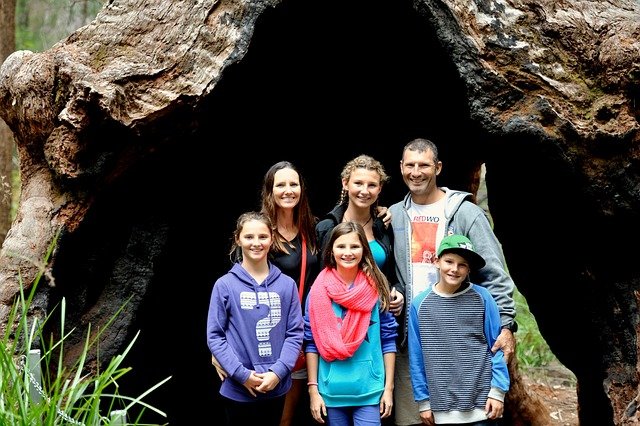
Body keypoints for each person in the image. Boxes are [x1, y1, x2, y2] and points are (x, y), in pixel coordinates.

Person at [389, 138, 517, 426]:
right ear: (400, 167)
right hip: (414, 338)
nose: (416, 172)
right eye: (410, 165)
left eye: (424, 165)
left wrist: (506, 325)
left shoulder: (465, 213)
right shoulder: (394, 215)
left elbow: (494, 273)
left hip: (461, 338)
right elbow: (389, 273)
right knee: (414, 418)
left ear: (438, 167)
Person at [206, 211, 304, 426]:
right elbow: (215, 336)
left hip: (275, 386)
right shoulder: (225, 285)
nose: (256, 243)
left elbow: (295, 333)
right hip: (237, 388)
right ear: (238, 239)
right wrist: (241, 375)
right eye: (249, 237)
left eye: (263, 236)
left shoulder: (287, 285)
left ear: (272, 238)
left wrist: (277, 373)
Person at [408, 234, 510, 425]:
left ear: (469, 269)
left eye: (462, 265)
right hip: (441, 408)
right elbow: (417, 357)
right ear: (436, 261)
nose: (455, 269)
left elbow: (496, 348)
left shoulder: (483, 298)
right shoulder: (420, 304)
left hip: (482, 407)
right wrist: (423, 402)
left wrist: (498, 392)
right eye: (449, 261)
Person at [304, 221, 398, 425]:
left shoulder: (377, 287)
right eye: (341, 246)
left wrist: (388, 389)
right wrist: (313, 390)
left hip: (369, 389)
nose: (348, 252)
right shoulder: (317, 292)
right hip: (331, 390)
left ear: (364, 251)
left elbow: (388, 339)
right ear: (331, 251)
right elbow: (311, 342)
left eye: (354, 246)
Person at [260, 161, 321, 426]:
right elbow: (235, 290)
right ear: (269, 191)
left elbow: (349, 221)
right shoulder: (260, 233)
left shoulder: (315, 229)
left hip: (305, 332)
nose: (288, 190)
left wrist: (379, 212)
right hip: (269, 332)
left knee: (289, 416)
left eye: (293, 184)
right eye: (280, 185)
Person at [316, 154, 404, 316]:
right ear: (345, 183)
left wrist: (398, 291)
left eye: (372, 185)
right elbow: (316, 278)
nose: (365, 191)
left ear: (380, 188)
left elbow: (392, 275)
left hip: (376, 317)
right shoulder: (327, 228)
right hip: (335, 315)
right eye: (358, 183)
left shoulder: (384, 226)